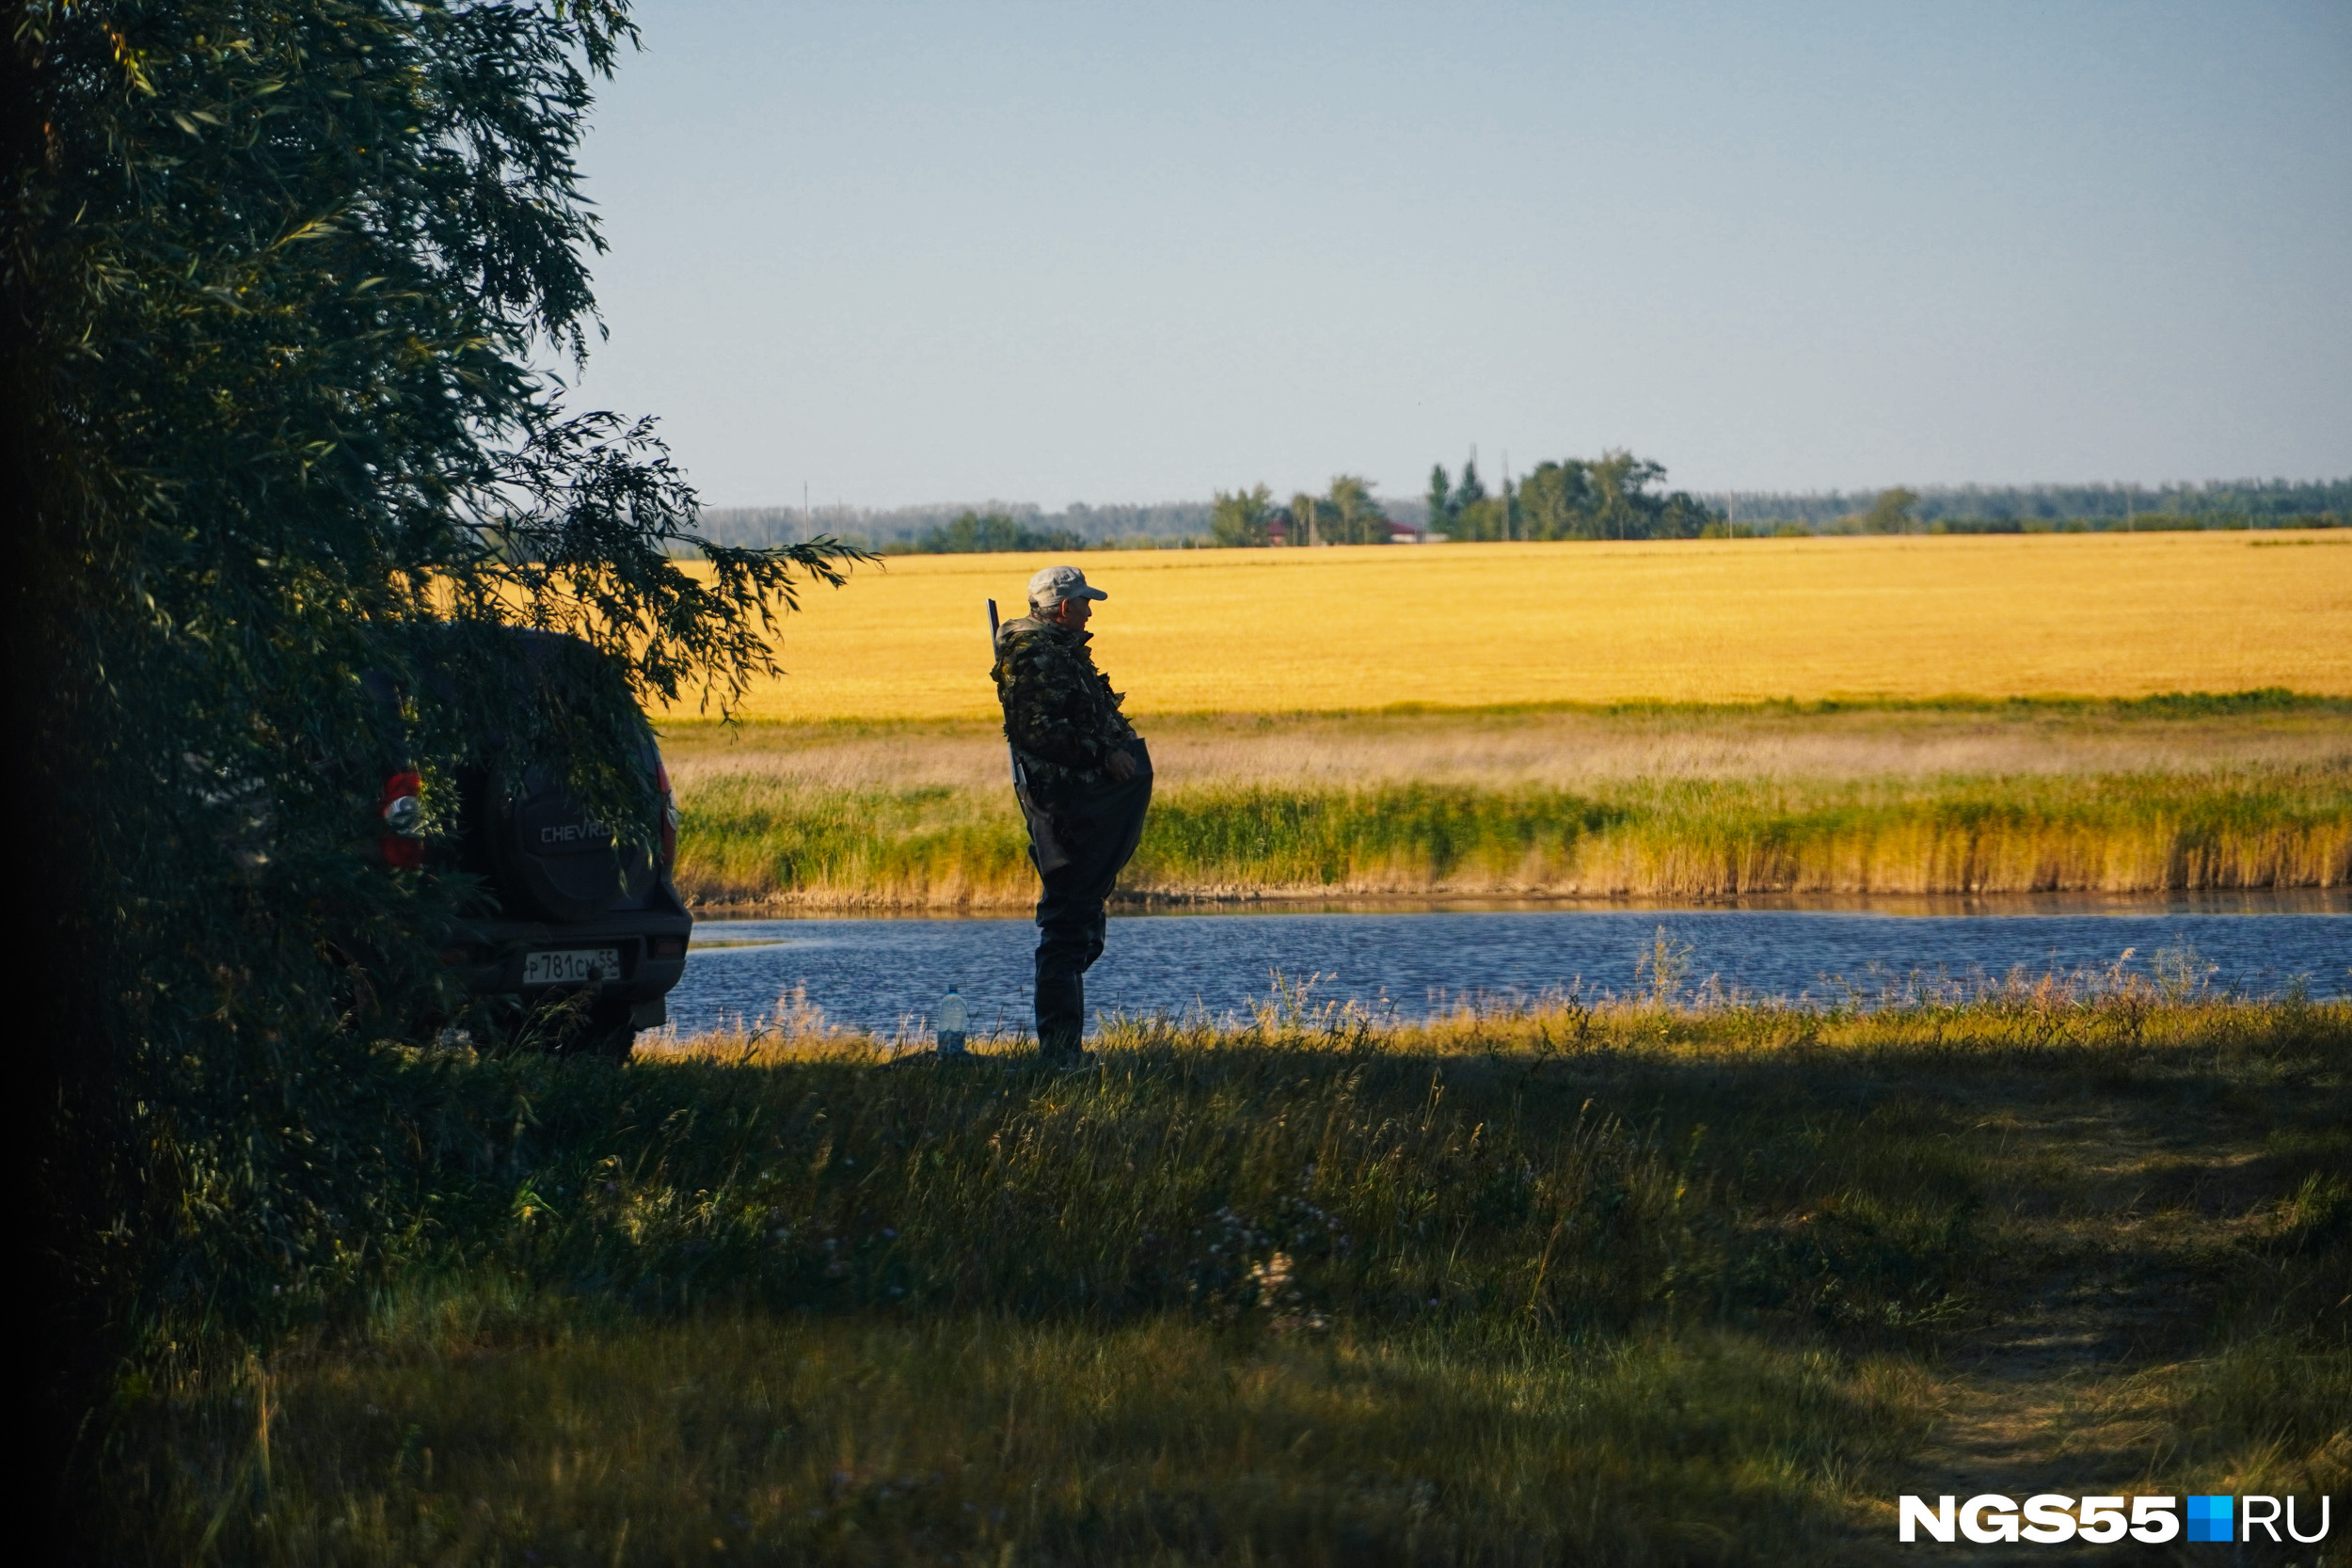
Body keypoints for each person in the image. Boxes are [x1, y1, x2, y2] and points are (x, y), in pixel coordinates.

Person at [992, 563, 1152, 1068]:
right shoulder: (1036, 656)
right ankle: (1060, 1054)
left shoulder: (1057, 650)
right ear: (1063, 607)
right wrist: (1103, 755)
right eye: (1084, 603)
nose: (1089, 612)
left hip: (1085, 806)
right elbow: (1037, 732)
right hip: (1067, 808)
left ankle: (1064, 1050)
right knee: (1067, 927)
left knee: (1082, 923)